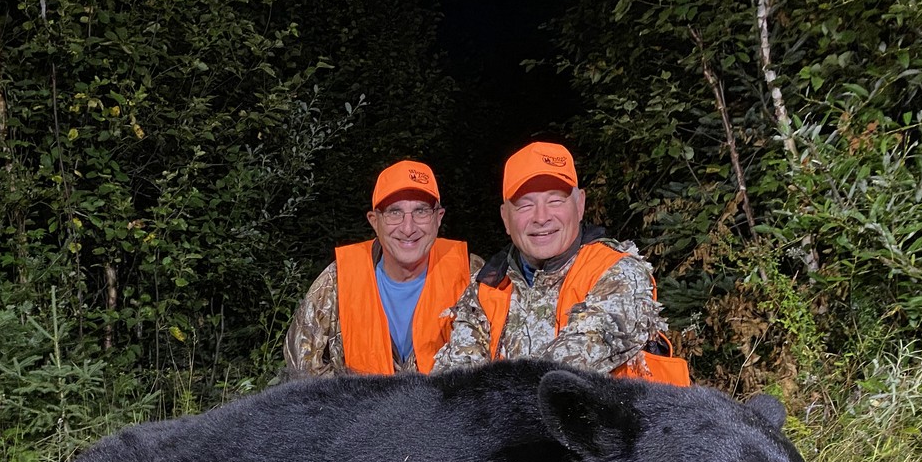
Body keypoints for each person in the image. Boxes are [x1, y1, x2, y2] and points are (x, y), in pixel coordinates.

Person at [432, 141, 689, 385]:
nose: (541, 217)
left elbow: (559, 374)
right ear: (505, 218)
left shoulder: (619, 272)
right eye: (525, 205)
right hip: (506, 428)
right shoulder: (486, 289)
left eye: (555, 200)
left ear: (580, 205)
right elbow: (455, 384)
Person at [284, 160, 483, 376]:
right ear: (374, 221)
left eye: (421, 211)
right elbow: (301, 369)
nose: (408, 228)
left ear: (438, 218)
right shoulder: (338, 280)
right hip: (360, 408)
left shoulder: (472, 275)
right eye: (394, 212)